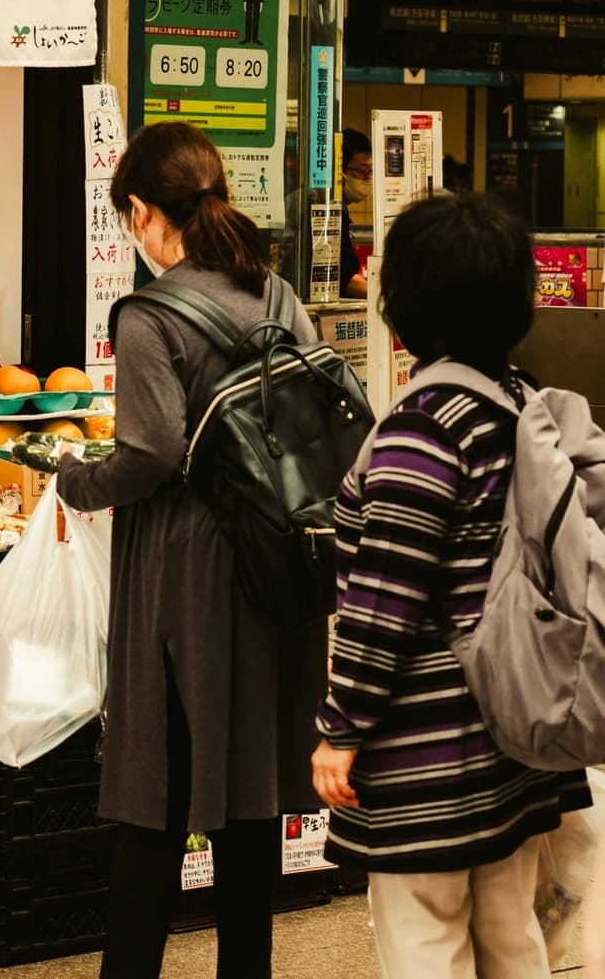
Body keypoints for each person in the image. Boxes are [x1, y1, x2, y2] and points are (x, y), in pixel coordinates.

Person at [57, 121, 327, 979]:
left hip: (180, 576)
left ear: (141, 212)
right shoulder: (279, 295)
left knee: (153, 804)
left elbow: (149, 452)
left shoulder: (147, 316)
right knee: (247, 805)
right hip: (272, 565)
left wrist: (75, 481)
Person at [311, 194, 591, 979]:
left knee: (425, 939)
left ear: (407, 306)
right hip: (512, 734)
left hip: (428, 753)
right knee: (511, 938)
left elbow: (383, 597)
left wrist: (342, 728)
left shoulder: (424, 426)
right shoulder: (521, 404)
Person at [338, 130, 372, 299]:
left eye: (371, 171)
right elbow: (344, 279)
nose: (368, 178)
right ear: (340, 171)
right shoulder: (325, 210)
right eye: (362, 171)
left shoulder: (341, 210)